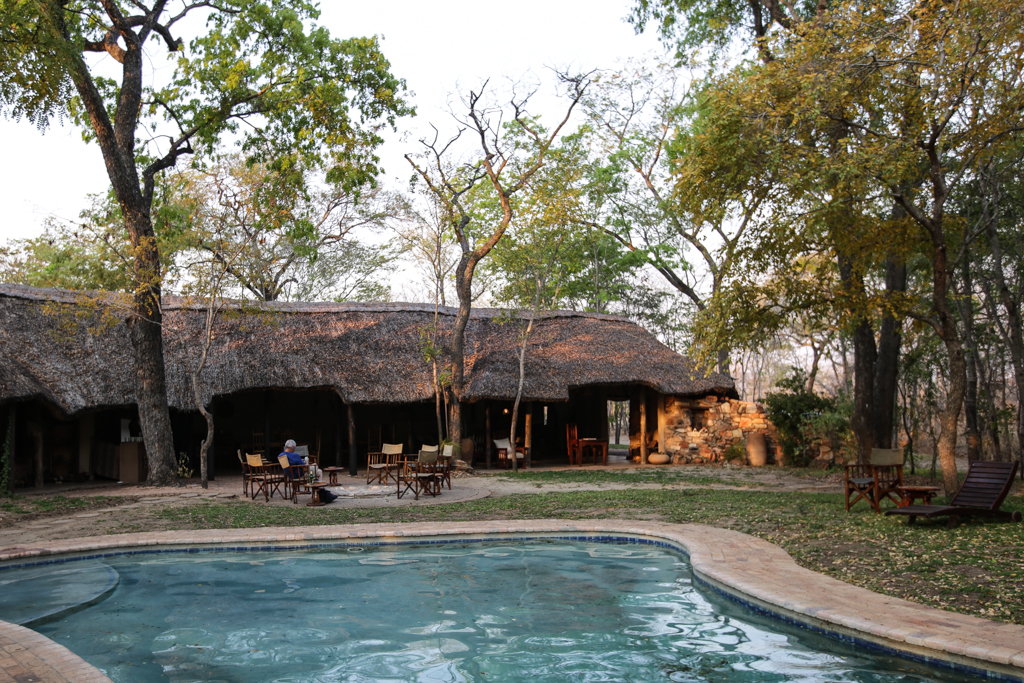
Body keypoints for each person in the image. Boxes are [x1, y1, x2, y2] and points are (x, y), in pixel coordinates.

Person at [280, 440, 337, 504]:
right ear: (292, 447)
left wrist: (300, 462)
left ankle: (317, 487)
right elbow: (305, 469)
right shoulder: (295, 455)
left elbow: (291, 464)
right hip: (301, 475)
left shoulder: (281, 455)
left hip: (291, 476)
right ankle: (319, 491)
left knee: (316, 469)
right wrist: (306, 462)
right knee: (318, 470)